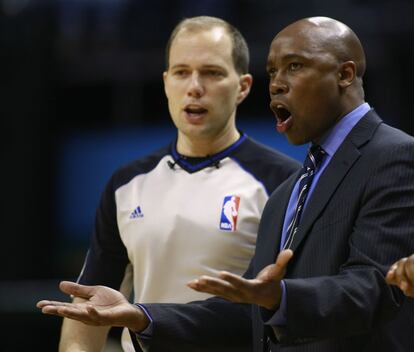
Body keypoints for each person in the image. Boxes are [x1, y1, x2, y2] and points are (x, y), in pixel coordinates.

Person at [38, 16, 414, 351]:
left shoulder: (388, 156)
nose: (278, 84)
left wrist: (279, 297)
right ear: (166, 82)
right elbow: (250, 309)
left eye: (294, 67)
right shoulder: (294, 189)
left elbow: (375, 287)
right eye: (274, 71)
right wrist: (141, 316)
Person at [56, 16, 300, 352]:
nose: (195, 86)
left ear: (242, 86)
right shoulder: (127, 184)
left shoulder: (283, 181)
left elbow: (273, 311)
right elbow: (87, 309)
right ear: (167, 82)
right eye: (182, 72)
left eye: (212, 73)